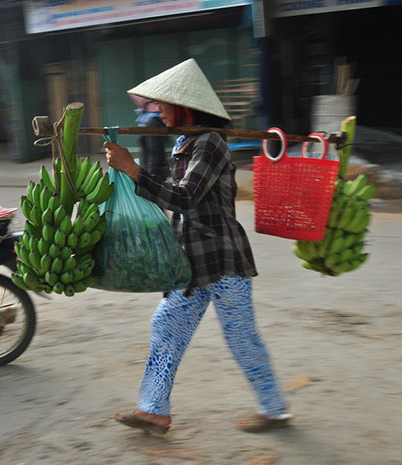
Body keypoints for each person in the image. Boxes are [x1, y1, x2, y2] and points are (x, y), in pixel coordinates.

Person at [104, 58, 291, 434]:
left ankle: (273, 409)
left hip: (222, 259)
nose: (159, 109)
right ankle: (153, 410)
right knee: (165, 328)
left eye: (165, 103)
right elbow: (177, 198)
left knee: (241, 337)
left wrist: (134, 171)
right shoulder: (186, 142)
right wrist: (132, 175)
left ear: (186, 107)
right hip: (190, 260)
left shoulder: (211, 143)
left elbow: (186, 197)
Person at [130, 95, 169, 179]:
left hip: (154, 175)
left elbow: (154, 152)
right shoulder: (146, 120)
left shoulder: (153, 121)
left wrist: (151, 177)